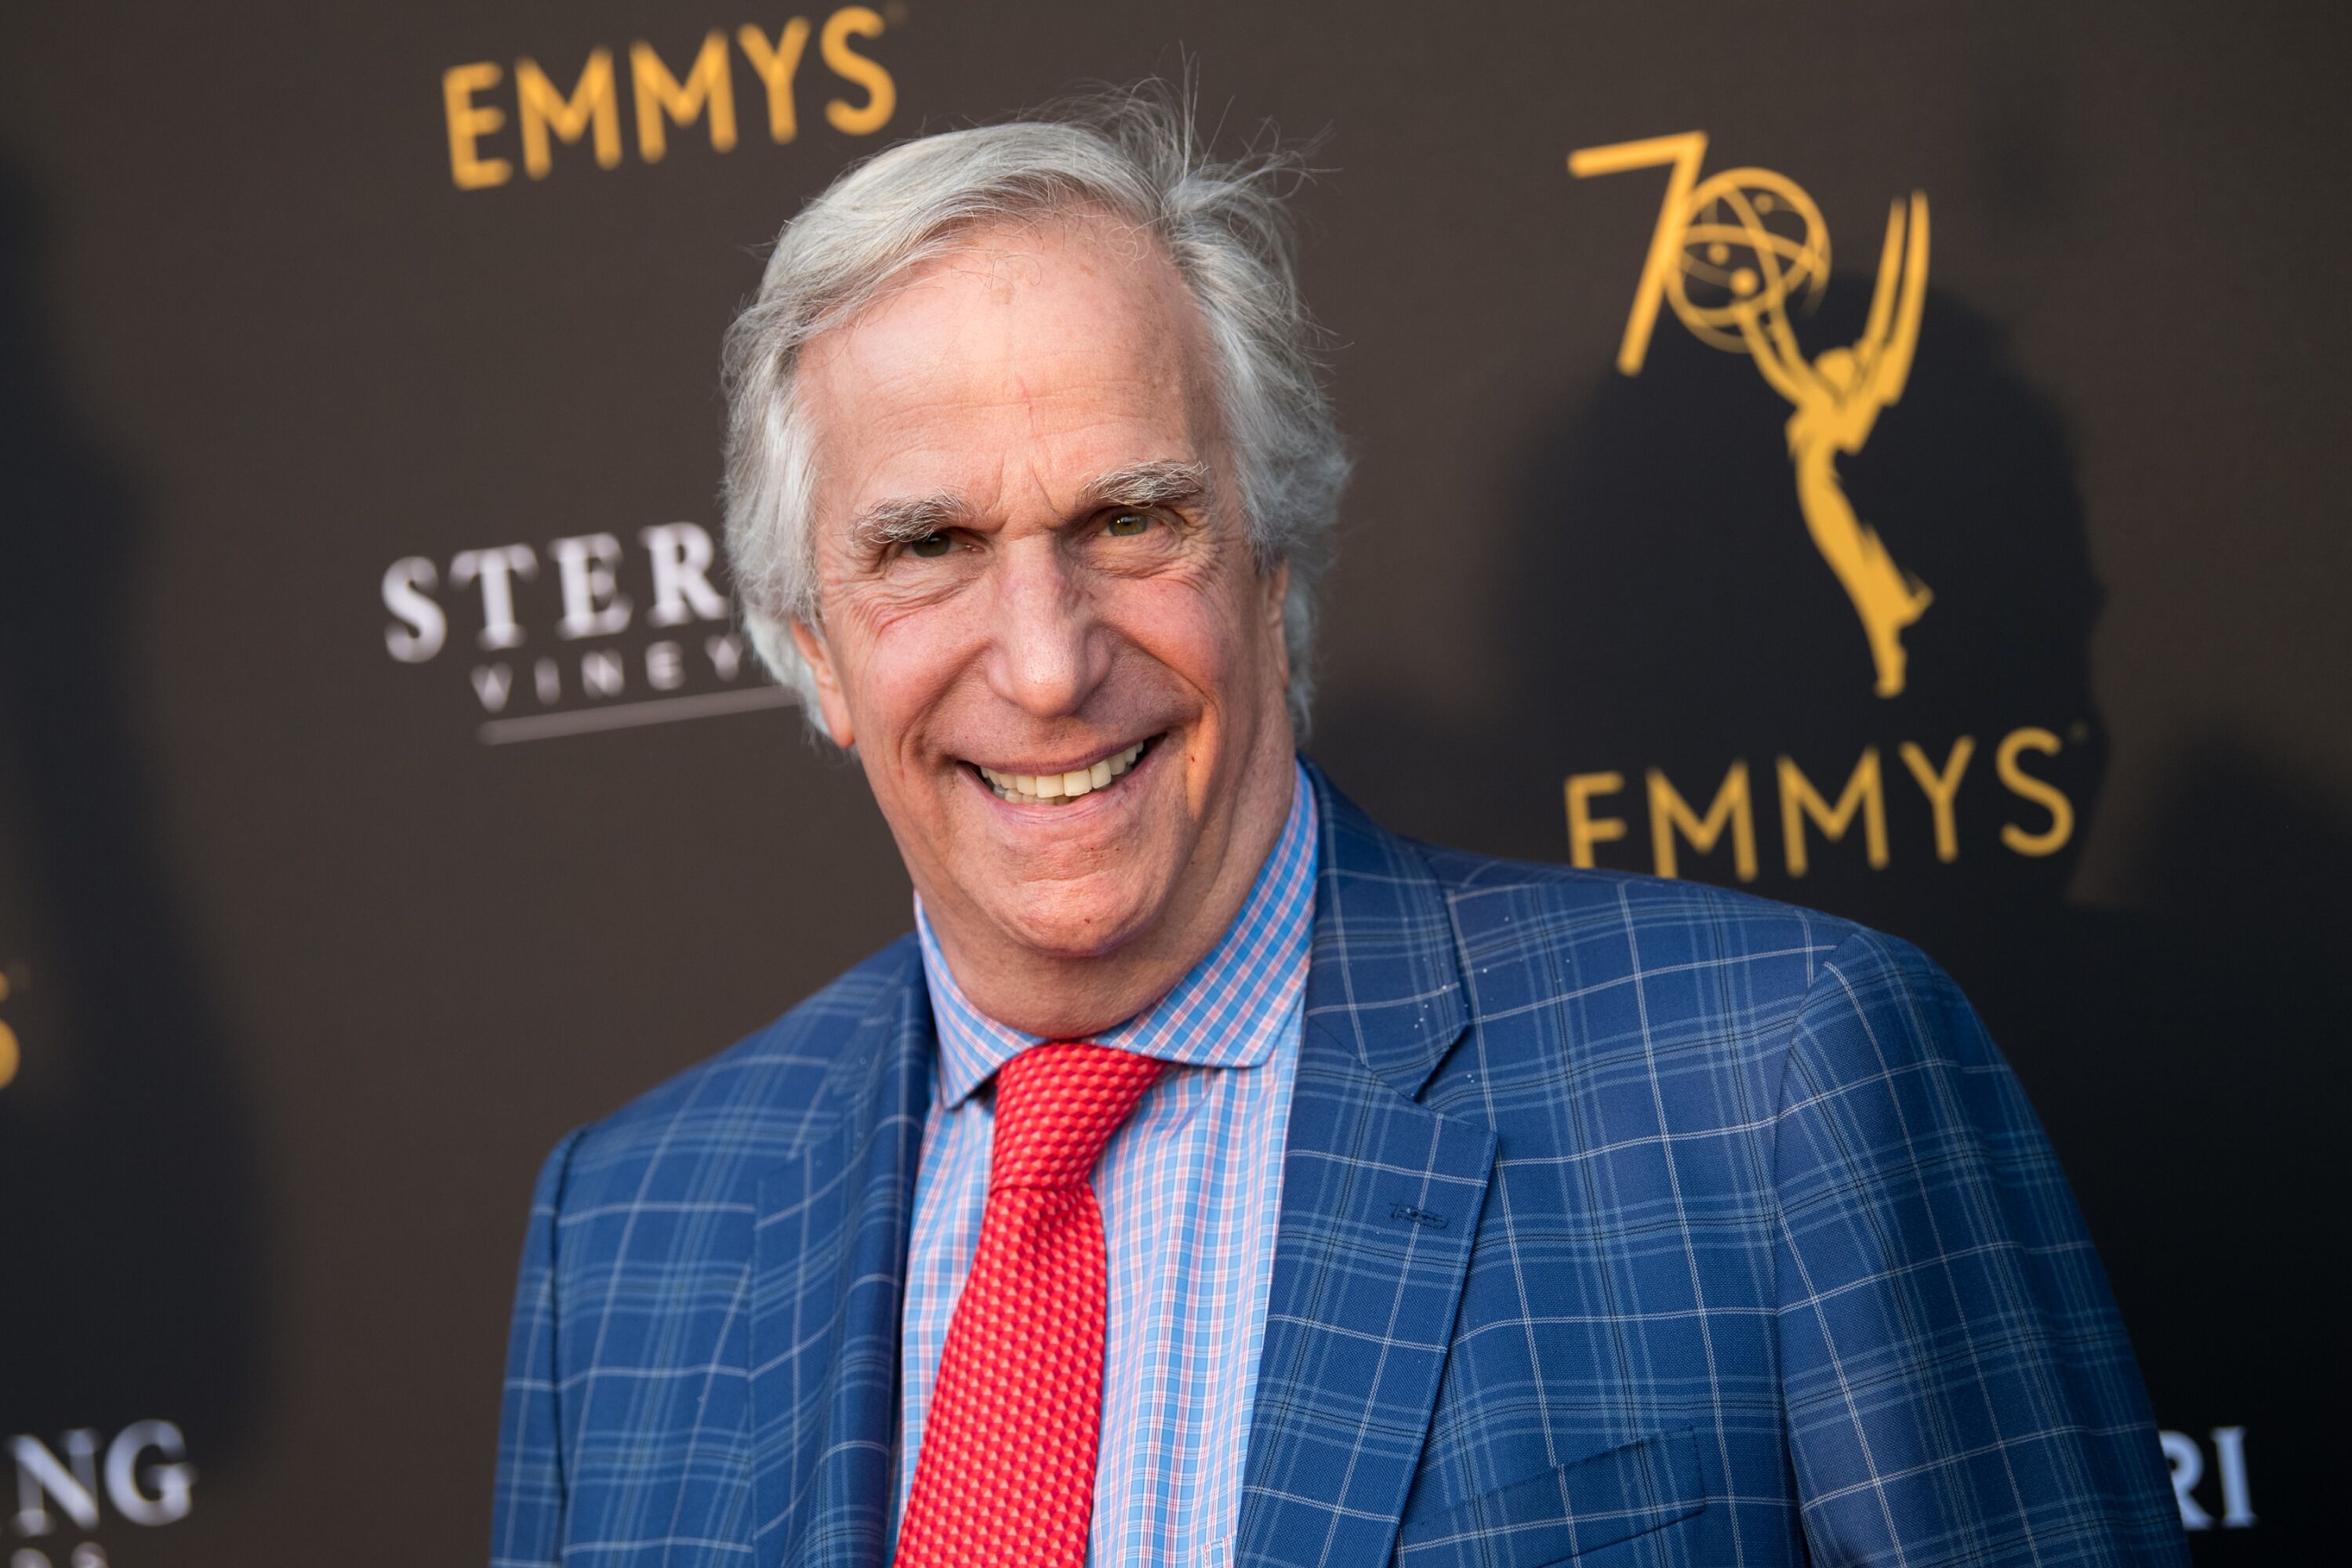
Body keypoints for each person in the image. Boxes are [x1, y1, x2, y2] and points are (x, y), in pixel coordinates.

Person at [490, 87, 2187, 1568]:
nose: (1046, 657)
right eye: (926, 545)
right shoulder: (626, 1235)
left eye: (1130, 517)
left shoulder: (1781, 1084)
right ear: (814, 650)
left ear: (1273, 569)